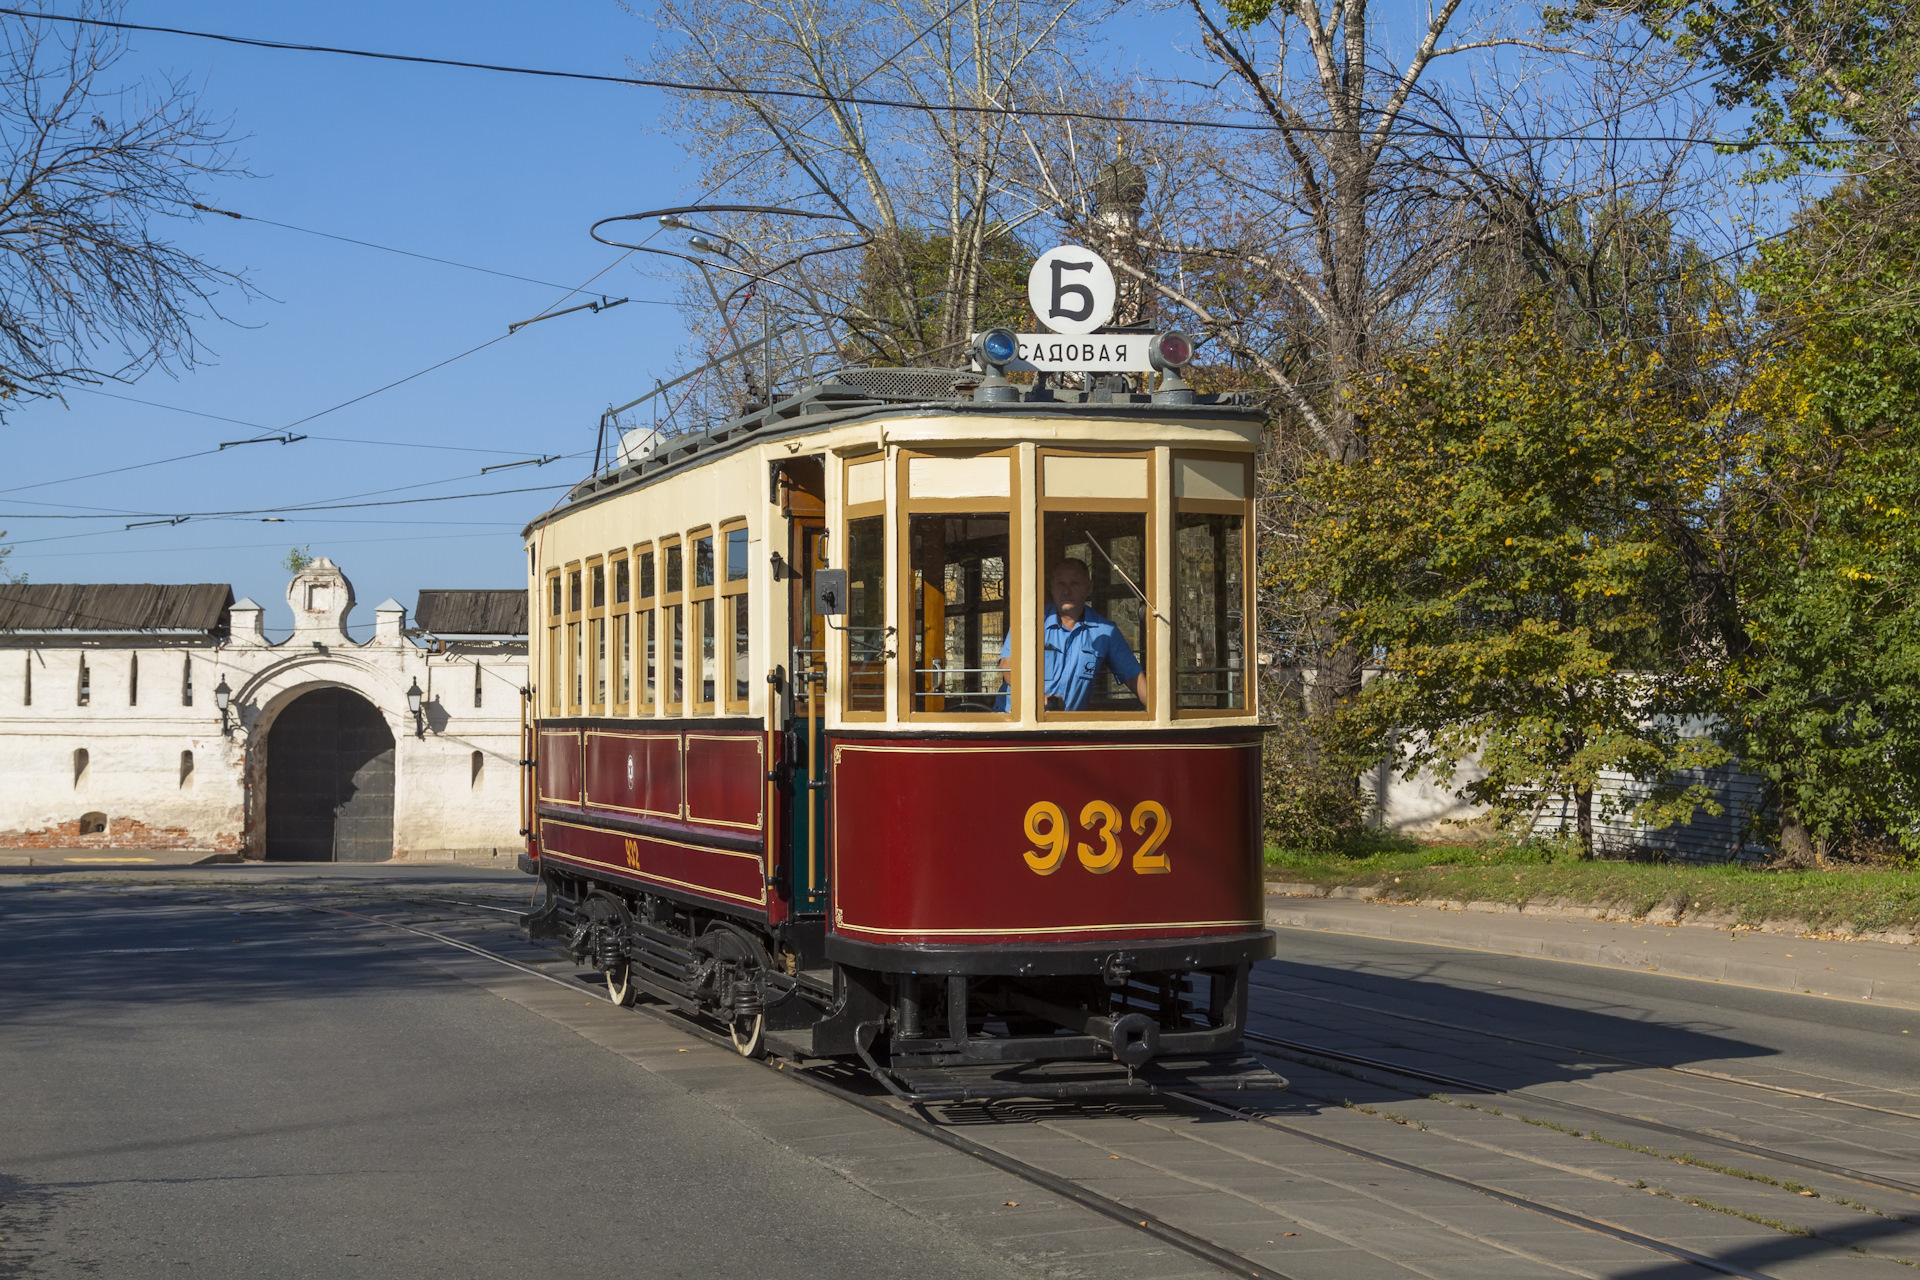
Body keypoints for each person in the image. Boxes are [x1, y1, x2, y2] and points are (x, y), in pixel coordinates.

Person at [998, 558, 1147, 711]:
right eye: (1060, 583)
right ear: (1051, 587)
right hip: (1016, 725)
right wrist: (1039, 698)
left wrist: (1159, 711)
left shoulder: (1106, 631)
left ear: (1089, 588)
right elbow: (1008, 667)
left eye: (1074, 583)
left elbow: (1134, 677)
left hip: (1067, 728)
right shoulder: (1029, 621)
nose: (1066, 590)